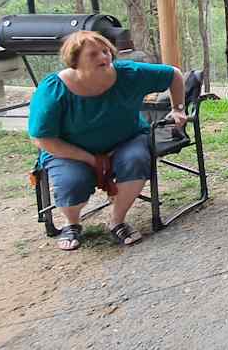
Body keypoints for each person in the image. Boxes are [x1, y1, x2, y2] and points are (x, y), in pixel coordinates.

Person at [28, 31, 188, 251]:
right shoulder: (54, 89)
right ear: (75, 60)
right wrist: (91, 159)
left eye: (105, 52)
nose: (103, 58)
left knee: (136, 160)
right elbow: (42, 138)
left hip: (127, 139)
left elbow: (174, 74)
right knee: (73, 182)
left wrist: (178, 109)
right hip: (70, 151)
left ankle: (117, 220)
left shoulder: (128, 73)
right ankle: (71, 223)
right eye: (93, 54)